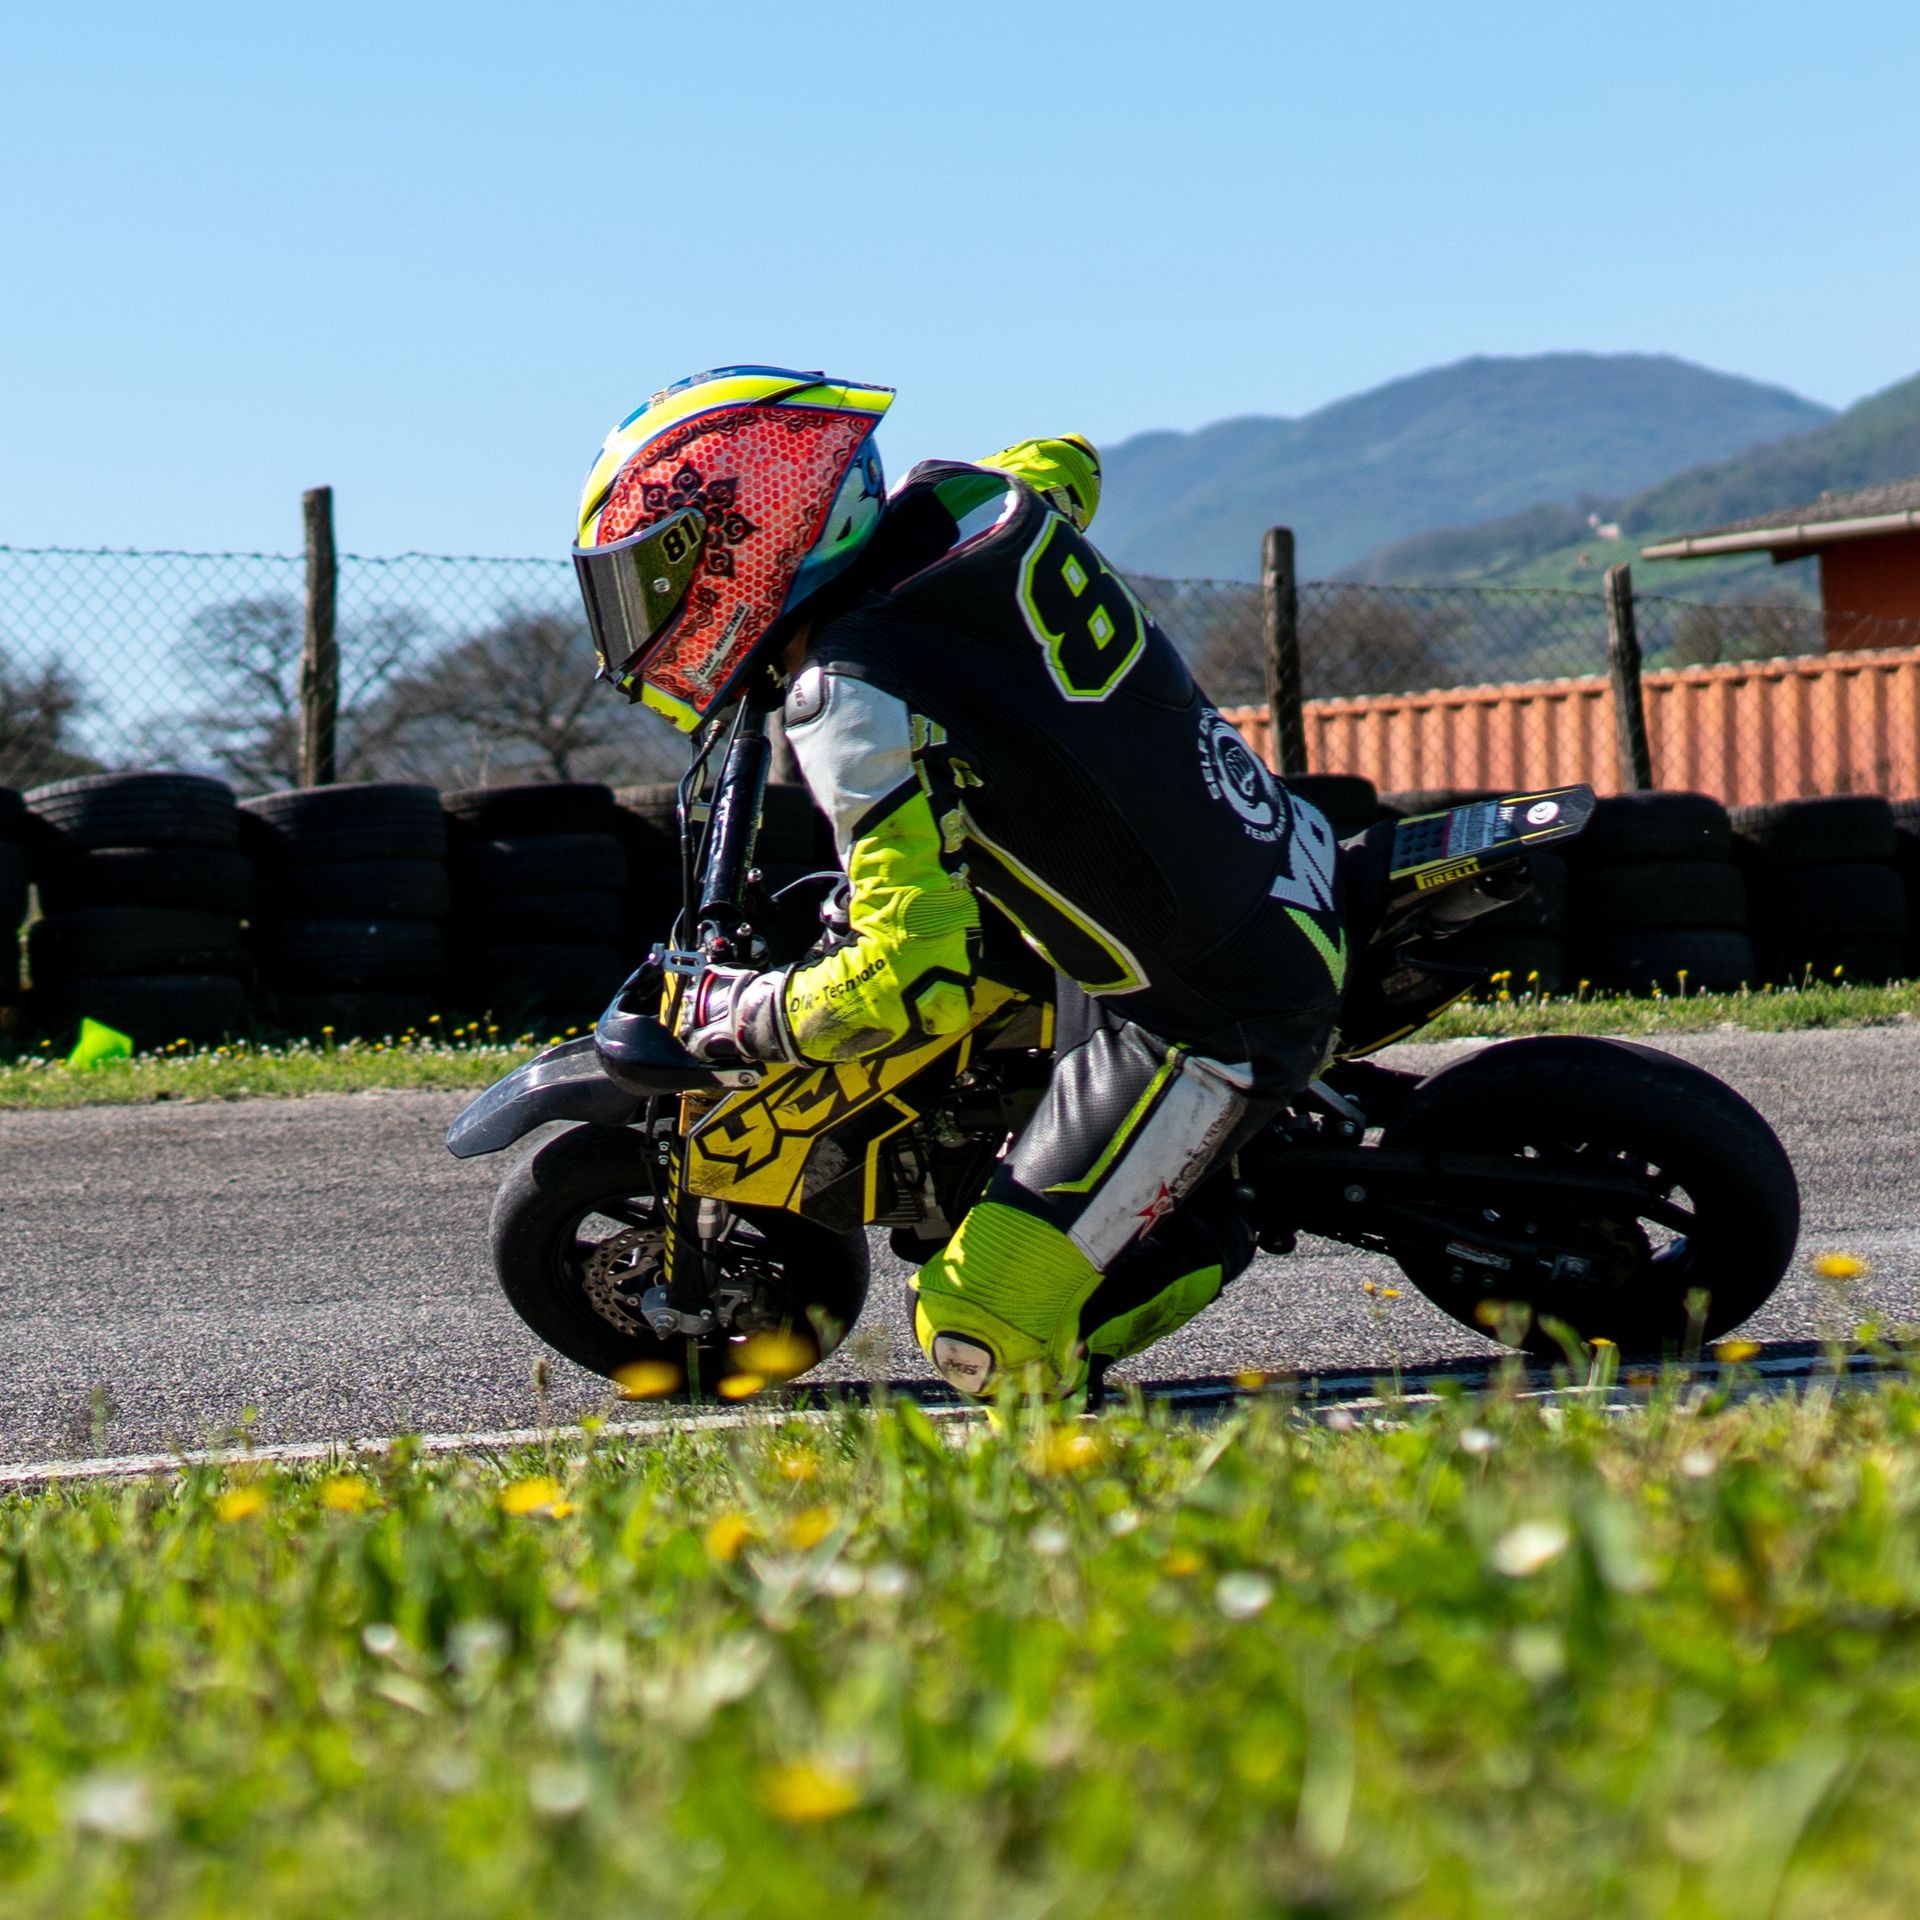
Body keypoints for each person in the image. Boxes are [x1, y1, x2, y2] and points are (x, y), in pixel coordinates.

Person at [572, 367, 1347, 1398]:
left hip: (1215, 1000)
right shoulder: (973, 498)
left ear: (752, 535)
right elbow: (1066, 462)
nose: (652, 619)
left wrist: (735, 1016)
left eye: (659, 580)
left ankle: (1198, 1235)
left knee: (973, 1335)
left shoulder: (847, 700)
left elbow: (912, 979)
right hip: (1273, 845)